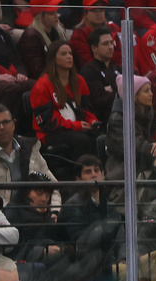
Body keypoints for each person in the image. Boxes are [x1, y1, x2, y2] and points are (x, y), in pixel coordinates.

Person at [30, 41, 100, 180]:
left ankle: (101, 180)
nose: (69, 57)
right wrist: (76, 126)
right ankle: (79, 180)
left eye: (70, 53)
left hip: (76, 128)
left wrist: (92, 121)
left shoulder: (79, 81)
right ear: (53, 58)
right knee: (81, 140)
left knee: (100, 138)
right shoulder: (42, 86)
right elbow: (47, 123)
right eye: (63, 54)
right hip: (50, 133)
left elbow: (87, 109)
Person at [0, 105, 60, 208]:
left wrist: (55, 210)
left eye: (5, 122)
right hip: (3, 217)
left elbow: (53, 186)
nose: (2, 127)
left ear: (13, 125)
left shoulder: (30, 149)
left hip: (36, 213)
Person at [79, 26, 121, 121]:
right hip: (103, 121)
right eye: (105, 44)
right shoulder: (88, 71)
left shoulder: (117, 68)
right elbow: (99, 100)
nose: (110, 47)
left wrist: (111, 89)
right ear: (94, 48)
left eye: (111, 42)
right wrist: (118, 89)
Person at [17, 1, 68, 79]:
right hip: (42, 81)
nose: (56, 16)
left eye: (56, 11)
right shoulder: (31, 37)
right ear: (41, 16)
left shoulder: (57, 31)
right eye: (51, 13)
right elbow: (36, 71)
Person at [69, 0, 120, 69]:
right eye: (93, 10)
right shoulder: (79, 34)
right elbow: (86, 63)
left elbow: (120, 57)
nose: (98, 14)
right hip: (92, 74)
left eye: (101, 10)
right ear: (85, 13)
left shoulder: (113, 29)